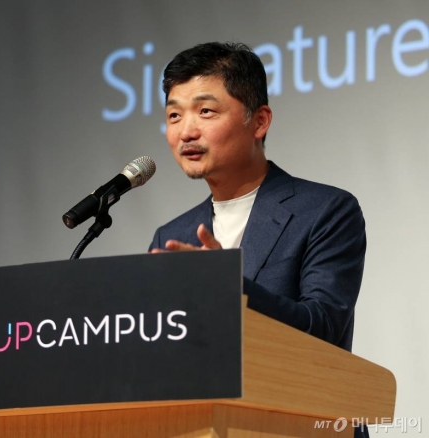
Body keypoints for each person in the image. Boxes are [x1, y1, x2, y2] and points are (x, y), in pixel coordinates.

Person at [149, 41, 368, 437]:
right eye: (174, 115)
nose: (186, 131)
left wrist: (229, 286)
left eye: (205, 111)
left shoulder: (326, 210)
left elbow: (322, 329)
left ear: (260, 121)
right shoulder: (172, 236)